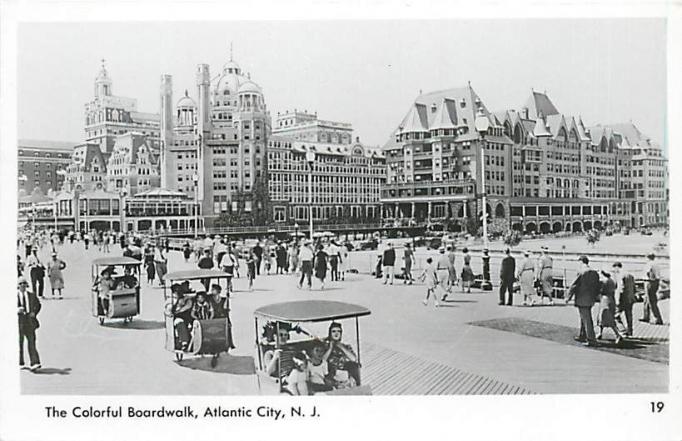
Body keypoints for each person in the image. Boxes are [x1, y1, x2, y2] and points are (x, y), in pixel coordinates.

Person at [566, 256, 600, 346]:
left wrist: (568, 297)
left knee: (586, 319)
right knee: (584, 318)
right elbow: (598, 286)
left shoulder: (581, 272)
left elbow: (574, 285)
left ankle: (591, 339)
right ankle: (582, 335)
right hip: (590, 298)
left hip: (582, 297)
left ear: (581, 262)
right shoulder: (594, 272)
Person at [326, 322, 361, 387]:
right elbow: (322, 360)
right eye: (333, 331)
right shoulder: (325, 346)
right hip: (332, 375)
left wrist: (341, 347)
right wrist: (330, 348)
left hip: (346, 374)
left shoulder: (346, 347)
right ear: (330, 334)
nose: (336, 333)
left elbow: (354, 359)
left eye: (338, 331)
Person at [18, 276, 41, 371]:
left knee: (31, 341)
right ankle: (20, 362)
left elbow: (38, 305)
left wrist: (34, 313)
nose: (22, 285)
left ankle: (34, 362)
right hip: (19, 321)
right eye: (20, 284)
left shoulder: (31, 295)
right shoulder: (13, 296)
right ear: (18, 286)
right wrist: (16, 310)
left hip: (29, 321)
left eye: (24, 283)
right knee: (19, 342)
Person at [596, 270, 623, 345]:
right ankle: (600, 333)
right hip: (611, 299)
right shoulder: (612, 280)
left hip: (605, 300)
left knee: (605, 316)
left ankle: (617, 334)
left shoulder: (605, 281)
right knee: (604, 316)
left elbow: (601, 290)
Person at [165, 284, 193, 351]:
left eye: (179, 290)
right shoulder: (170, 300)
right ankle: (184, 342)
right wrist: (171, 311)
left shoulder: (186, 298)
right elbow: (167, 310)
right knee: (180, 323)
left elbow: (189, 305)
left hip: (188, 316)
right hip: (178, 317)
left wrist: (181, 309)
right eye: (175, 291)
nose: (177, 292)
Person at [612, 261, 636, 337]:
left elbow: (621, 288)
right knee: (629, 315)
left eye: (614, 270)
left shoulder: (620, 275)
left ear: (616, 267)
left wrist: (618, 300)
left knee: (615, 315)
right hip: (630, 298)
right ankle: (630, 331)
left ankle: (622, 331)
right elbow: (634, 288)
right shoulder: (630, 275)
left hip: (623, 299)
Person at [640, 253, 664, 325]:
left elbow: (649, 272)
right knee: (646, 300)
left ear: (647, 257)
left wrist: (650, 279)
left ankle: (658, 319)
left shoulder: (649, 264)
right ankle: (646, 316)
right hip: (655, 282)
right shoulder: (656, 264)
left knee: (651, 301)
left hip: (650, 282)